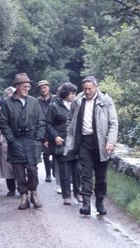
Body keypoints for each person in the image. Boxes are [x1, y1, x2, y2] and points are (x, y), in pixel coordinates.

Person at [66, 76, 118, 215]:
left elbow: (113, 123)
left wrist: (110, 142)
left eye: (90, 89)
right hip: (84, 141)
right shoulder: (77, 101)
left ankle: (100, 202)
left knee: (101, 175)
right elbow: (70, 120)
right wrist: (70, 135)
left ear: (96, 87)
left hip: (101, 142)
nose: (87, 91)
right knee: (86, 173)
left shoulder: (106, 101)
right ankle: (86, 203)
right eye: (85, 89)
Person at [0, 73, 46, 209]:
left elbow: (41, 121)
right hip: (16, 142)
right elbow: (3, 122)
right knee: (18, 171)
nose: (27, 88)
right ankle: (24, 196)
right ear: (17, 87)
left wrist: (38, 137)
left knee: (32, 169)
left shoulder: (34, 102)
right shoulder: (7, 103)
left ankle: (34, 193)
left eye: (28, 86)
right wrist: (11, 139)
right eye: (25, 86)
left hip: (32, 141)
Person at [46, 82, 83, 205]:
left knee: (78, 169)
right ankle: (66, 195)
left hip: (76, 141)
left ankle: (78, 193)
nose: (74, 95)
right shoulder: (54, 105)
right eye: (72, 93)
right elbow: (48, 123)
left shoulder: (77, 104)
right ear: (65, 93)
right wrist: (55, 136)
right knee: (65, 170)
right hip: (61, 141)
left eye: (75, 93)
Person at [0, 86, 17, 196]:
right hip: (5, 140)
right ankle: (11, 189)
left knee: (19, 165)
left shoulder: (20, 106)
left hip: (18, 139)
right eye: (8, 95)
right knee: (7, 166)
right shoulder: (1, 109)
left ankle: (22, 188)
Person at [37, 79, 56, 182]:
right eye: (41, 88)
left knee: (56, 152)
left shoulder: (56, 100)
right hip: (43, 129)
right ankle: (48, 174)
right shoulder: (37, 101)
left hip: (54, 128)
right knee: (46, 153)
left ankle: (54, 169)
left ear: (49, 88)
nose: (43, 90)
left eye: (44, 87)